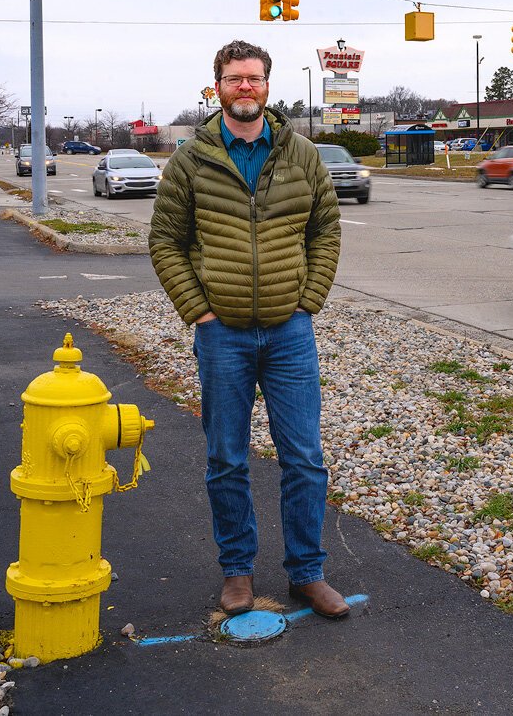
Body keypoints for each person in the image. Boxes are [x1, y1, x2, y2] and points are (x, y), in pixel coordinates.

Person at [148, 40, 348, 619]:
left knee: (304, 457)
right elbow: (166, 241)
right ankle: (237, 570)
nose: (245, 87)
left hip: (290, 332)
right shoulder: (191, 160)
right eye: (234, 79)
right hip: (222, 335)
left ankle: (307, 573)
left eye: (254, 78)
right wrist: (199, 311)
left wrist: (308, 302)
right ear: (217, 86)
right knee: (227, 459)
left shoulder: (301, 154)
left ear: (266, 85)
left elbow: (326, 229)